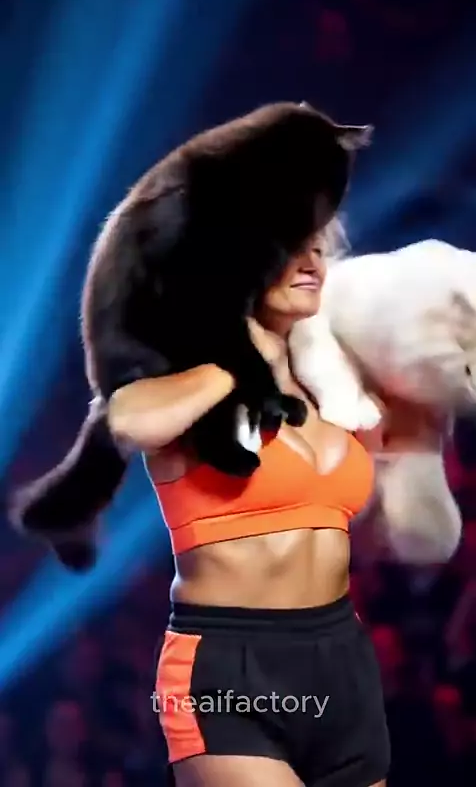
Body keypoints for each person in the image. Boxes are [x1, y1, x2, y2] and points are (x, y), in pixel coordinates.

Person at [107, 220, 444, 787]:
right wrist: (241, 359)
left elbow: (350, 531)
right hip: (226, 666)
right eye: (293, 246)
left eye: (320, 248)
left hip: (340, 657)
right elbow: (128, 424)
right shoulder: (185, 380)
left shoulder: (337, 393)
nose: (313, 261)